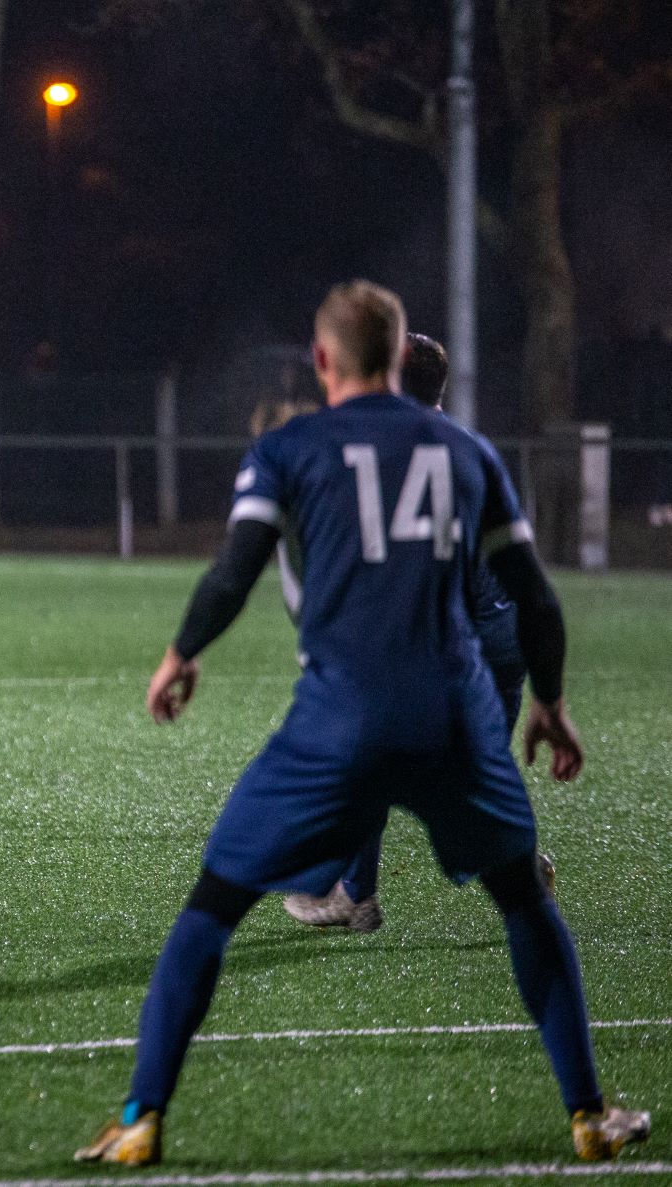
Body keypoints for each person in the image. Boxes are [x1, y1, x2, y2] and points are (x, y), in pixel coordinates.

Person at [76, 281, 649, 1167]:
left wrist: (180, 653)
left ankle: (141, 1117)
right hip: (453, 717)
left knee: (211, 908)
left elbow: (233, 571)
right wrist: (550, 701)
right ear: (398, 357)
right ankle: (587, 1113)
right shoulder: (466, 452)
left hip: (337, 717)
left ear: (321, 360)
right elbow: (534, 596)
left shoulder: (286, 448)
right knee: (523, 900)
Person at [280, 332, 538, 933]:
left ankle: (355, 895)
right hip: (508, 637)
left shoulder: (393, 457)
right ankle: (520, 877)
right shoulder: (472, 449)